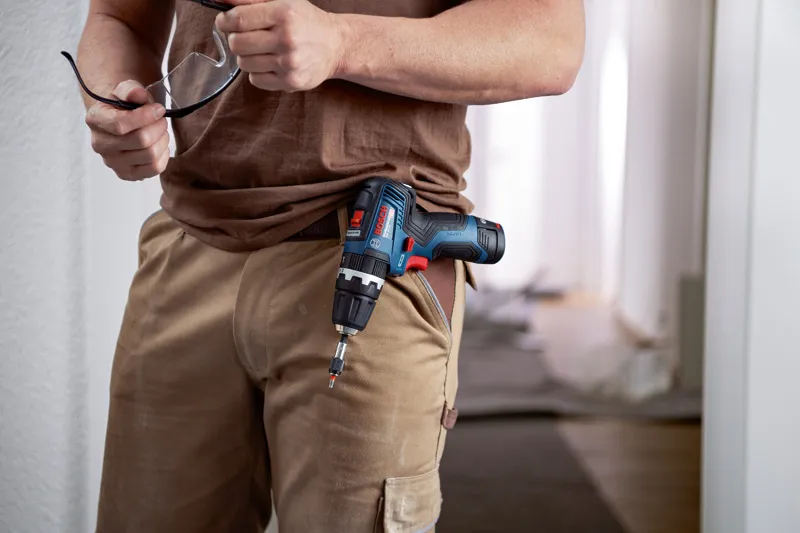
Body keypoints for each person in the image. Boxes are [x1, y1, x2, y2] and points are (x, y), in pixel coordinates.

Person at [76, 0, 585, 531]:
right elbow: (119, 17)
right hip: (188, 244)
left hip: (372, 254)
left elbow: (552, 42)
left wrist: (343, 42)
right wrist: (117, 100)